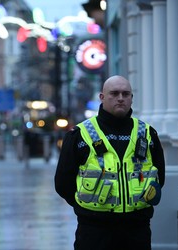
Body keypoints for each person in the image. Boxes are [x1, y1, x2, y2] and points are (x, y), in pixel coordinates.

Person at [54, 75, 165, 250]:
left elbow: (160, 177)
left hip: (137, 231)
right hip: (94, 232)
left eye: (126, 94)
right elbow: (63, 183)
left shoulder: (148, 134)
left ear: (131, 98)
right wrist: (88, 211)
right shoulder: (79, 135)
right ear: (102, 97)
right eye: (114, 93)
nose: (120, 98)